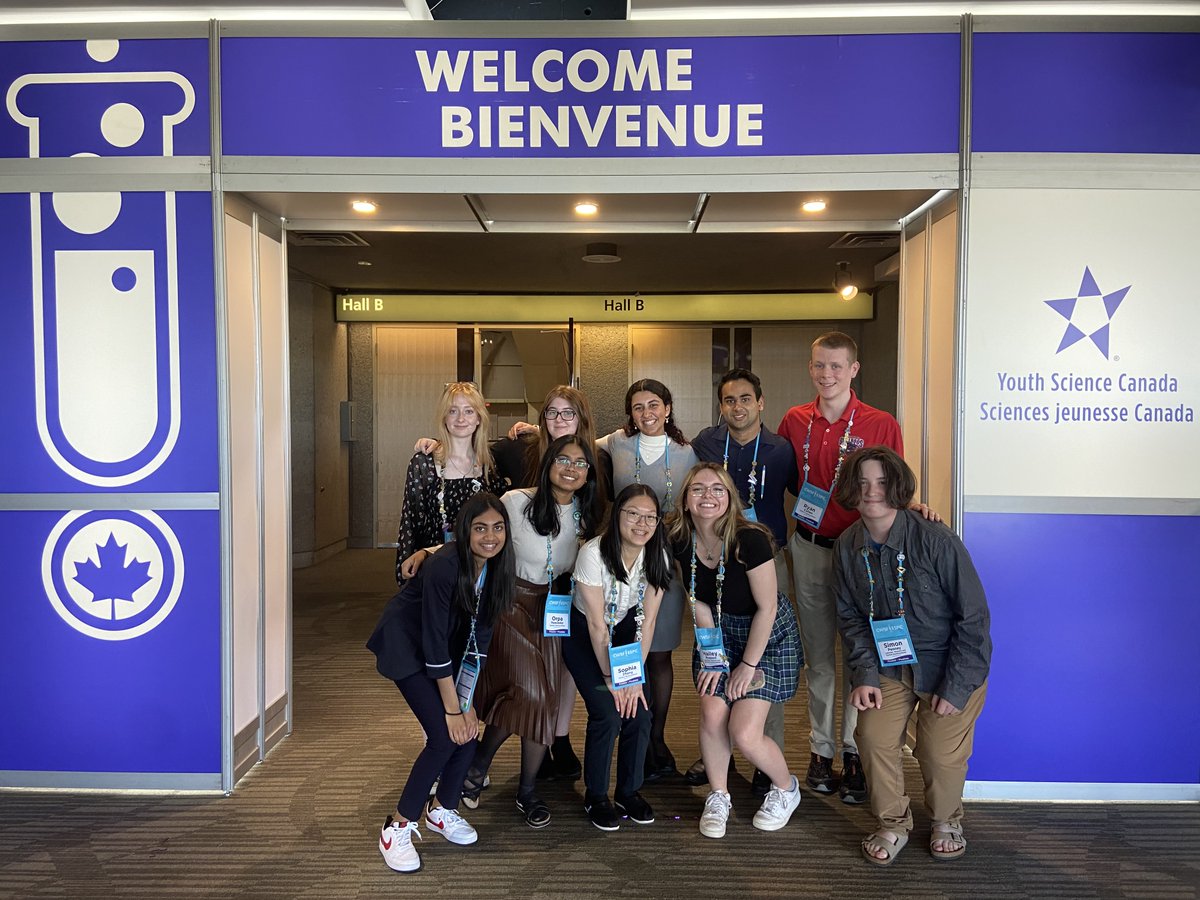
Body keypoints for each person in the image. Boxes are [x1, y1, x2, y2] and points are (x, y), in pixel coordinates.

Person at [407, 435, 604, 827]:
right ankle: (505, 780)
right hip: (508, 604)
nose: (571, 469)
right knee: (533, 694)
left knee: (540, 700)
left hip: (552, 609)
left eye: (580, 463)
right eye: (563, 459)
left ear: (588, 473)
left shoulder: (585, 513)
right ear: (548, 463)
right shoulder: (516, 501)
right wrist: (429, 551)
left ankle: (491, 773)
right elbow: (480, 534)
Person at [831, 447, 991, 866]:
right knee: (871, 736)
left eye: (882, 483)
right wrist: (865, 674)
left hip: (948, 666)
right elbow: (850, 619)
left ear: (898, 486)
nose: (872, 491)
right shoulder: (847, 546)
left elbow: (974, 619)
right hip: (888, 666)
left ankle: (946, 820)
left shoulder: (935, 539)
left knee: (937, 752)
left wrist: (956, 687)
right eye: (862, 483)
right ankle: (892, 823)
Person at [777, 332, 904, 804]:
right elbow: (789, 480)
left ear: (854, 370)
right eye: (819, 365)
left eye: (836, 366)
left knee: (859, 653)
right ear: (810, 367)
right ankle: (821, 749)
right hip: (810, 548)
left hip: (861, 553)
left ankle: (853, 749)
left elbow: (896, 487)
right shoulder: (794, 420)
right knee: (818, 658)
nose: (826, 374)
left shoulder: (880, 422)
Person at [366, 493, 516, 874]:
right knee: (444, 736)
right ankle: (397, 827)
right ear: (465, 531)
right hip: (407, 644)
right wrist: (453, 709)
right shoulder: (445, 566)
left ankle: (442, 810)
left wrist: (467, 703)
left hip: (444, 648)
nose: (490, 537)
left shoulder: (497, 568)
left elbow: (479, 643)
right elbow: (433, 641)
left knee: (469, 730)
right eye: (480, 528)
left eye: (498, 528)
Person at [667, 463, 803, 839]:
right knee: (712, 713)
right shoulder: (680, 539)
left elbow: (768, 608)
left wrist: (746, 665)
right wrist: (713, 657)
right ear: (685, 499)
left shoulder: (750, 539)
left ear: (730, 499)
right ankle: (719, 795)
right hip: (717, 633)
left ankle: (786, 789)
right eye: (697, 489)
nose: (707, 496)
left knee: (743, 732)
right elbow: (698, 601)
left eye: (717, 489)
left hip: (766, 637)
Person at [688, 368, 798, 796]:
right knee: (719, 663)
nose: (738, 407)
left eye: (745, 399)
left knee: (762, 644)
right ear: (721, 406)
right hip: (714, 555)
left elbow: (805, 490)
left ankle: (763, 753)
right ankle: (719, 752)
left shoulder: (781, 449)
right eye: (729, 400)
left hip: (762, 557)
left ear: (760, 402)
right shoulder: (706, 443)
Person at [596, 379, 697, 781]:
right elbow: (574, 436)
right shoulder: (617, 443)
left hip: (664, 563)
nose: (646, 413)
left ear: (668, 408)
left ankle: (656, 738)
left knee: (658, 653)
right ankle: (632, 734)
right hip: (622, 563)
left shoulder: (687, 452)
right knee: (626, 647)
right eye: (637, 407)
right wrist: (529, 428)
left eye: (653, 405)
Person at [563, 484, 672, 831]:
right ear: (617, 515)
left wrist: (633, 678)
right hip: (584, 633)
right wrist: (612, 679)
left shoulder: (658, 555)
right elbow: (597, 626)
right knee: (608, 712)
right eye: (633, 514)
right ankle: (596, 795)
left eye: (650, 517)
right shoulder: (593, 554)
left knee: (639, 710)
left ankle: (629, 791)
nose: (642, 524)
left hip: (626, 631)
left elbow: (648, 621)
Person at [396, 382, 505, 585]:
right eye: (453, 411)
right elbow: (411, 521)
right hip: (436, 568)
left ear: (479, 418)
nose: (461, 419)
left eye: (468, 411)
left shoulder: (489, 464)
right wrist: (407, 569)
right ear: (444, 417)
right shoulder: (423, 463)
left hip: (481, 570)